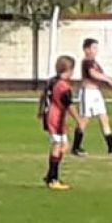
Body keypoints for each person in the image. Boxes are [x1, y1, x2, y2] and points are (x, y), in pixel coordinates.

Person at [72, 38, 112, 156]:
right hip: (88, 93)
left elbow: (99, 73)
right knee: (84, 119)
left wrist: (109, 78)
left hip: (96, 93)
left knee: (104, 117)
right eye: (93, 47)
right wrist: (108, 80)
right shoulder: (87, 61)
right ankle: (76, 147)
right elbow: (93, 74)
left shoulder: (94, 62)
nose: (96, 50)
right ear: (86, 49)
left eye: (96, 48)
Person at [39, 56, 79, 190]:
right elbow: (69, 105)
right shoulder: (63, 86)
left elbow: (44, 96)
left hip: (52, 116)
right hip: (56, 118)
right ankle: (53, 178)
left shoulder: (52, 81)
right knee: (58, 145)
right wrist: (78, 119)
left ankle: (50, 175)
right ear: (68, 70)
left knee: (63, 145)